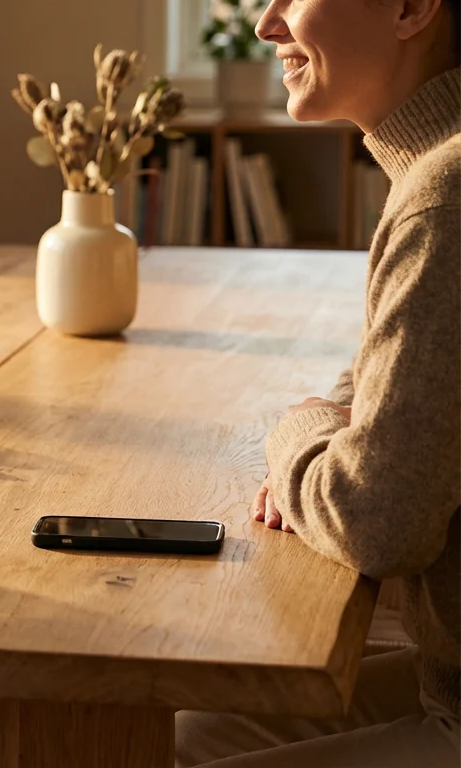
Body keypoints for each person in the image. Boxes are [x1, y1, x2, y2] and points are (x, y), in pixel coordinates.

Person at [176, 0, 460, 765]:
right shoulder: (433, 172)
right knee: (172, 736)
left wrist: (296, 433)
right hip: (447, 679)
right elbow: (386, 375)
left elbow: (377, 519)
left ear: (409, 8)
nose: (268, 25)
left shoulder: (445, 195)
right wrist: (344, 420)